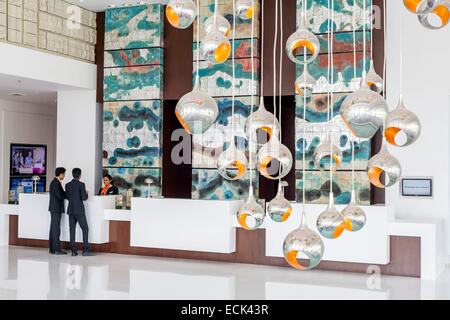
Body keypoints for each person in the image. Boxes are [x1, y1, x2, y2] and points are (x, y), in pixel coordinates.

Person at [65, 168, 95, 257]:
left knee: (72, 230)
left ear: (72, 174)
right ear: (80, 175)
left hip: (70, 210)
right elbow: (83, 198)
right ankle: (85, 251)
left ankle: (74, 251)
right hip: (79, 210)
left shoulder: (67, 185)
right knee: (85, 228)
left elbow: (67, 197)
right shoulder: (81, 184)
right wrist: (86, 193)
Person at [48, 167, 67, 255]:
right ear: (61, 174)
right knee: (56, 229)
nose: (64, 176)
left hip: (54, 209)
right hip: (56, 209)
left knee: (53, 228)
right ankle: (56, 250)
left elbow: (62, 193)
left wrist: (67, 193)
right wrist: (68, 195)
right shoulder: (55, 183)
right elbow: (60, 195)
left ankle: (52, 248)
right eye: (64, 174)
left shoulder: (56, 182)